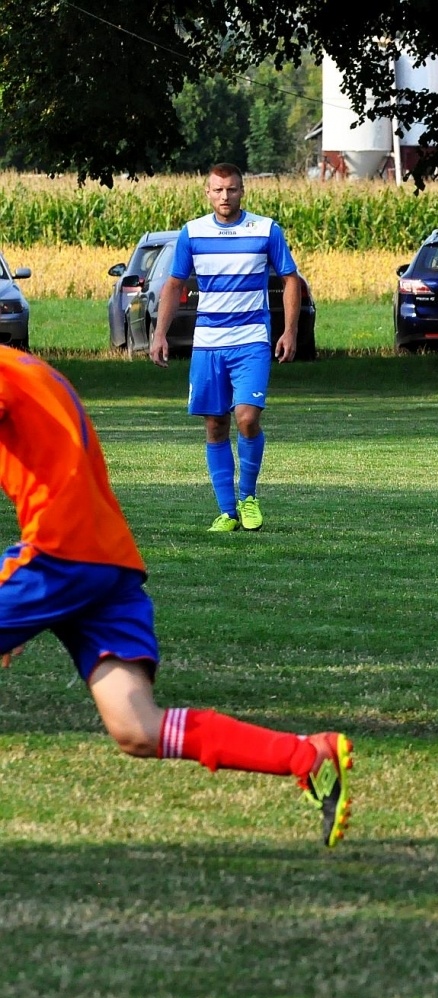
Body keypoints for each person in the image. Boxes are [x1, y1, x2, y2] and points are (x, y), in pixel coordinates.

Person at [0, 348, 352, 847]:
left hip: (61, 553)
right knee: (137, 728)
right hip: (105, 562)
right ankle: (307, 756)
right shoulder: (26, 368)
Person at [150, 163, 301, 533]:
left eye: (231, 190)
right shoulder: (192, 233)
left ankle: (248, 497)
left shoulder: (266, 229)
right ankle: (226, 511)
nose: (224, 196)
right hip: (208, 345)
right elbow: (173, 284)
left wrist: (290, 331)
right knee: (215, 425)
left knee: (247, 418)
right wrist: (159, 334)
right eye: (217, 190)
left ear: (242, 191)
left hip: (251, 340)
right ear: (207, 192)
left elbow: (290, 278)